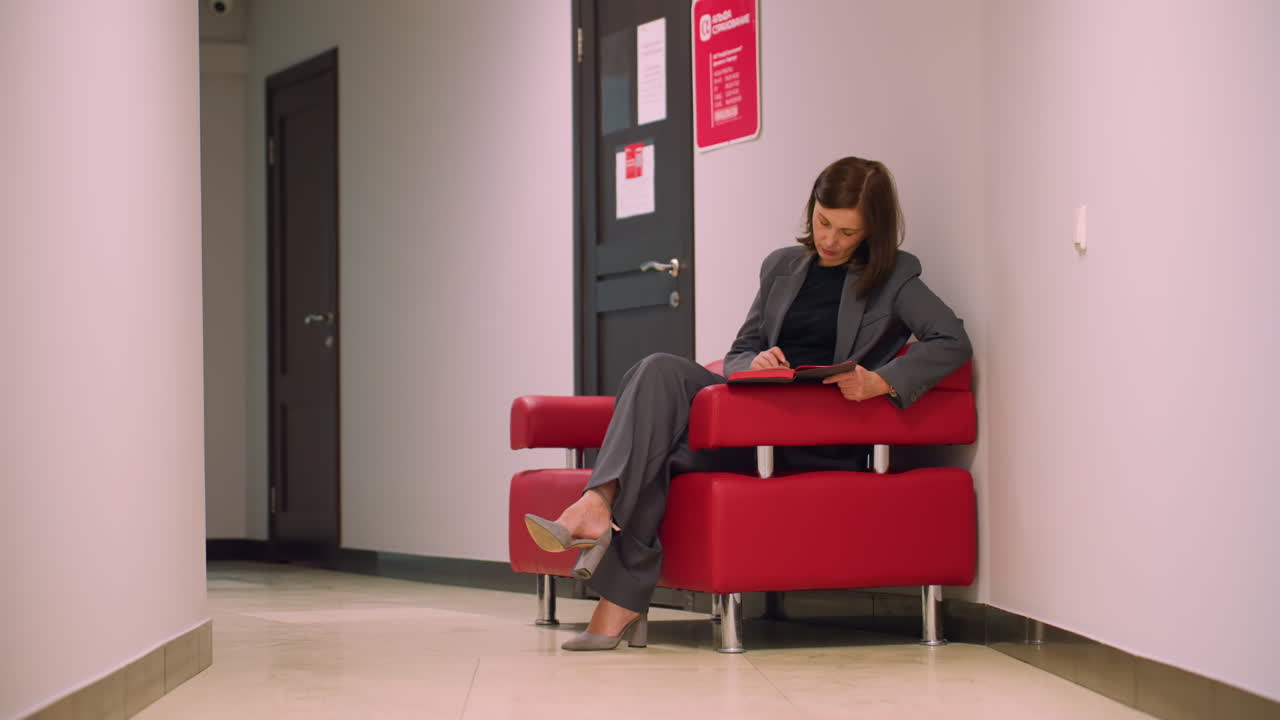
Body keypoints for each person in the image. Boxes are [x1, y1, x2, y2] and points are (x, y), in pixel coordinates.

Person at [524, 157, 972, 651]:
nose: (830, 240)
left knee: (652, 450)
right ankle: (599, 509)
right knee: (657, 370)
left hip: (814, 437)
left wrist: (881, 381)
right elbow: (739, 350)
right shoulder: (782, 266)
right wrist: (753, 364)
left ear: (872, 230)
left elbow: (952, 340)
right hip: (752, 422)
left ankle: (610, 562)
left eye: (847, 232)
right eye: (823, 222)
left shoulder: (896, 278)